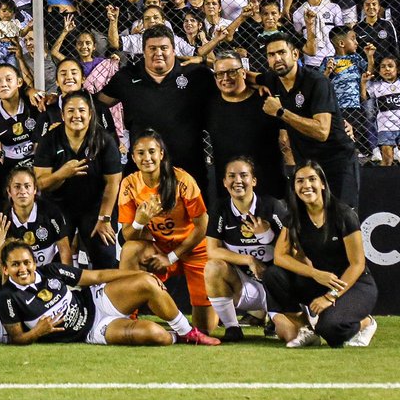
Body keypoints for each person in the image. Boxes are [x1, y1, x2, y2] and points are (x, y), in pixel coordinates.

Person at [0, 239, 218, 346]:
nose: (22, 269)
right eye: (15, 265)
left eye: (26, 262)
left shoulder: (51, 270)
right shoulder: (7, 296)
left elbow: (97, 277)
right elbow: (17, 339)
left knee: (148, 282)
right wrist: (38, 332)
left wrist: (134, 276)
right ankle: (175, 337)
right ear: (5, 269)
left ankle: (189, 332)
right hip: (92, 330)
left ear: (34, 261)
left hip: (97, 300)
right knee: (157, 336)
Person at [264, 162, 377, 348]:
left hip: (354, 284)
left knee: (331, 330)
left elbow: (357, 264)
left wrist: (330, 296)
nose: (306, 185)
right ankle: (306, 330)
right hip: (320, 279)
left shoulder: (343, 214)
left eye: (312, 179)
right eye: (300, 181)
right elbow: (280, 256)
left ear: (323, 184)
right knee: (273, 275)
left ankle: (366, 323)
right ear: (294, 187)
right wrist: (314, 273)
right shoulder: (294, 216)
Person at [118, 130, 216, 334]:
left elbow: (202, 226)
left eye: (152, 151)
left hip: (192, 248)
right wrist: (139, 222)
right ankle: (126, 315)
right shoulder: (129, 185)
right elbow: (127, 235)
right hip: (159, 247)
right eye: (141, 153)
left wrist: (171, 257)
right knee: (130, 249)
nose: (147, 158)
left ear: (161, 154)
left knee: (205, 328)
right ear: (133, 157)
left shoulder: (183, 180)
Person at [96, 25, 212, 180]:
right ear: (144, 51)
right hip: (142, 175)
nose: (158, 53)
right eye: (152, 48)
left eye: (164, 47)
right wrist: (111, 137)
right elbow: (98, 103)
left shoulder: (196, 75)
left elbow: (232, 83)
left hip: (190, 173)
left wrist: (206, 61)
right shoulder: (126, 77)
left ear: (174, 50)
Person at [259, 36, 360, 208]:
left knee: (344, 220)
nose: (277, 59)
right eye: (271, 55)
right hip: (307, 164)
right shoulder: (272, 80)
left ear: (295, 54)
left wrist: (281, 112)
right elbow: (247, 77)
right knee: (311, 221)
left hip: (336, 161)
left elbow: (321, 132)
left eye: (282, 52)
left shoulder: (317, 81)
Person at [33, 90, 122, 270]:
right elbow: (41, 183)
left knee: (105, 252)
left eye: (81, 110)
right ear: (63, 115)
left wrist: (104, 218)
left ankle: (104, 294)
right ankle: (66, 293)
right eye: (71, 111)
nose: (77, 115)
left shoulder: (104, 140)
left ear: (90, 114)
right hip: (58, 207)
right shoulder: (49, 140)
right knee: (58, 258)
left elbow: (113, 182)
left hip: (94, 206)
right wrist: (63, 173)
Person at [204, 156, 289, 341]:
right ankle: (232, 328)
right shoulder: (220, 208)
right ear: (225, 182)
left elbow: (294, 250)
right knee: (213, 267)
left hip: (277, 285)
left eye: (243, 175)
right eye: (232, 176)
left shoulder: (273, 206)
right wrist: (249, 260)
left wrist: (267, 236)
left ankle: (277, 318)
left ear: (254, 180)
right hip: (243, 285)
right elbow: (212, 250)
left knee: (291, 335)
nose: (238, 181)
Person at [206, 49, 286, 200]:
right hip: (229, 194)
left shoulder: (267, 101)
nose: (225, 78)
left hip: (269, 190)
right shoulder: (209, 105)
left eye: (232, 72)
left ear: (244, 73)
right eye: (220, 74)